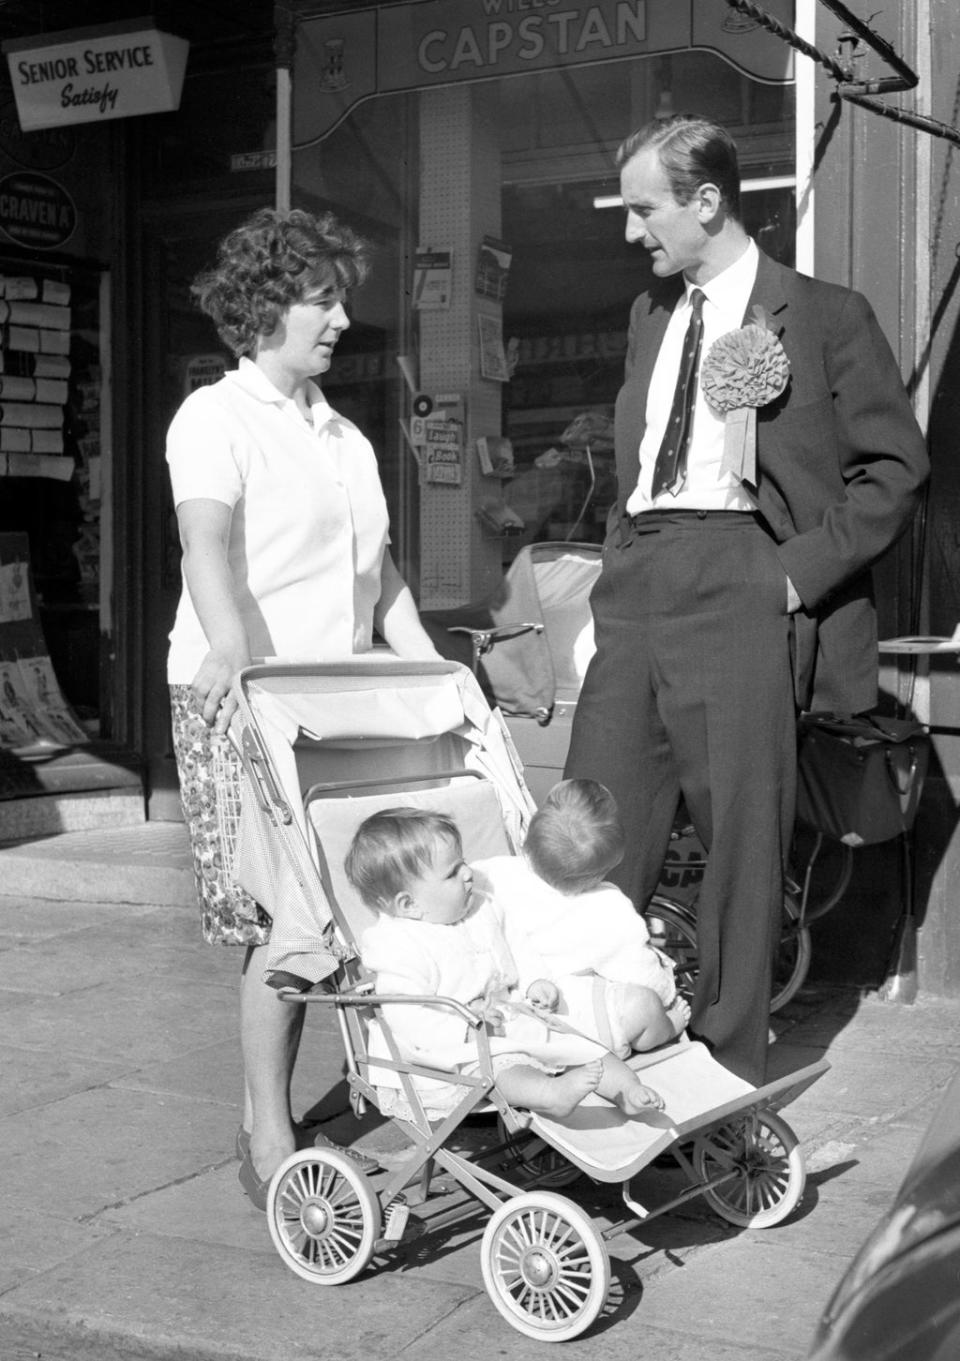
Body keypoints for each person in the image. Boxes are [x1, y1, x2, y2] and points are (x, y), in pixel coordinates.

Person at [564, 114, 929, 1085]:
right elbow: (639, 467)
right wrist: (612, 582)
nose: (633, 232)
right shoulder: (651, 317)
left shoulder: (824, 314)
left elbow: (896, 470)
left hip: (743, 577)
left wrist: (791, 575)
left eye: (646, 208)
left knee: (738, 845)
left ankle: (723, 1070)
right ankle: (568, 1042)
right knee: (591, 820)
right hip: (639, 576)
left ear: (707, 201)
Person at [165, 207, 441, 1209]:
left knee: (365, 908)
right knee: (285, 921)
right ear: (265, 305)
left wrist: (440, 673)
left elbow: (384, 574)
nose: (338, 317)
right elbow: (203, 541)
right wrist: (232, 640)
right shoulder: (214, 418)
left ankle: (400, 1098)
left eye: (340, 299)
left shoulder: (345, 434)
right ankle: (268, 1129)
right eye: (321, 299)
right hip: (241, 694)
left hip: (339, 697)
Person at [346, 807, 665, 1121]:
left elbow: (517, 948)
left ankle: (628, 1090)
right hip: (453, 1050)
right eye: (452, 873)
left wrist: (536, 981)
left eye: (463, 863)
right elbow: (407, 1014)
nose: (468, 873)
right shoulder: (398, 945)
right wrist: (465, 1031)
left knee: (581, 1046)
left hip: (511, 1017)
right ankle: (549, 1096)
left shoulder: (482, 907)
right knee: (502, 1068)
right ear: (409, 904)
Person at [473, 778, 690, 1055]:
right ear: (603, 870)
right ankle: (666, 1028)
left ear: (527, 840)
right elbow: (639, 971)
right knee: (645, 1003)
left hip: (511, 1014)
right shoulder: (609, 907)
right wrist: (665, 993)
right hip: (578, 1023)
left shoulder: (493, 874)